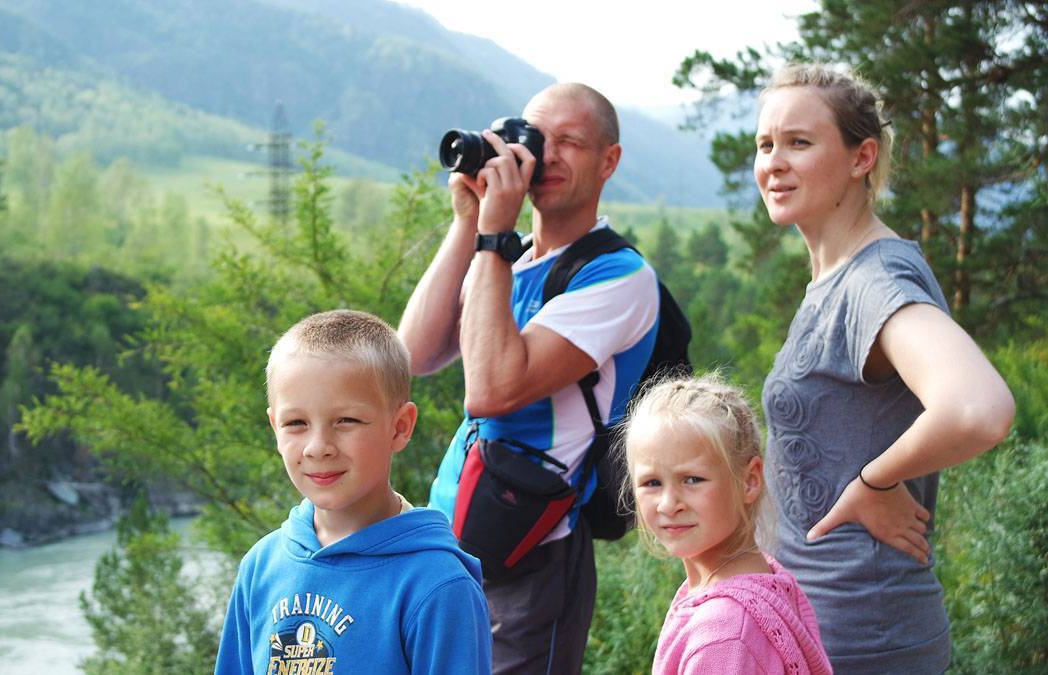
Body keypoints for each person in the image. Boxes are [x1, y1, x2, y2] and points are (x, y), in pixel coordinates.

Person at [754, 63, 1016, 674]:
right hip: (821, 627)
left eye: (799, 141)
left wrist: (872, 483)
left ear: (861, 156)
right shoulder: (835, 275)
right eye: (765, 145)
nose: (774, 162)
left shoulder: (873, 279)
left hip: (864, 636)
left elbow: (979, 409)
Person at [398, 83, 660, 674]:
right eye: (541, 139)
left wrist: (493, 236)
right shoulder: (506, 261)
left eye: (572, 142)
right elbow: (413, 353)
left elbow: (490, 390)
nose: (550, 156)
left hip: (531, 553)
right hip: (452, 534)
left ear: (609, 161)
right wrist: (470, 222)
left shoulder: (620, 277)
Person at [214, 309, 491, 674]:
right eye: (296, 423)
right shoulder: (261, 566)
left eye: (346, 421)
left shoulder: (438, 586)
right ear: (274, 427)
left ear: (400, 427)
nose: (318, 447)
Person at [623, 374, 832, 675]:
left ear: (750, 480)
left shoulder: (725, 635)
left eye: (692, 479)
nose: (669, 504)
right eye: (651, 482)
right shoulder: (768, 578)